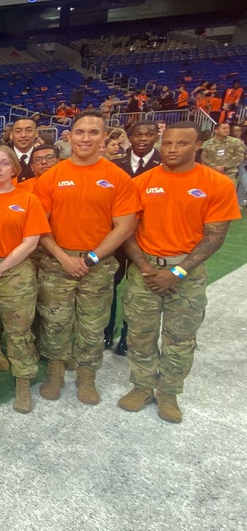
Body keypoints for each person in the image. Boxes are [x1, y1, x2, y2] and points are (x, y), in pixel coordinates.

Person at [119, 122, 241, 423]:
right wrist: (146, 268)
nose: (172, 149)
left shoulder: (217, 183)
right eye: (168, 143)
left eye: (182, 144)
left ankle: (169, 392)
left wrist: (179, 272)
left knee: (180, 338)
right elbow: (127, 231)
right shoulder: (142, 183)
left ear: (198, 145)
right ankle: (142, 386)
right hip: (145, 271)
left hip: (188, 272)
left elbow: (215, 235)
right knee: (140, 334)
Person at [34, 111, 140, 405]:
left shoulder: (117, 178)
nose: (86, 138)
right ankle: (55, 373)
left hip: (98, 265)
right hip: (57, 263)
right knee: (54, 323)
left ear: (104, 138)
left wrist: (91, 258)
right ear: (69, 136)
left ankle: (86, 376)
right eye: (80, 132)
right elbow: (40, 226)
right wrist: (63, 258)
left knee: (92, 325)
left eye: (94, 132)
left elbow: (124, 226)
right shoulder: (52, 177)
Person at [0, 146, 50, 413]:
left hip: (14, 274)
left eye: (4, 163)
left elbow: (31, 242)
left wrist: (0, 267)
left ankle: (23, 383)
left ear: (14, 167)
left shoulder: (28, 199)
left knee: (19, 331)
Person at [105, 120, 162, 355]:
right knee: (111, 285)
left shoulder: (165, 164)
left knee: (142, 291)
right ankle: (107, 332)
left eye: (149, 135)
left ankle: (130, 337)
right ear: (129, 137)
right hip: (118, 238)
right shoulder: (115, 165)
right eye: (138, 134)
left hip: (149, 237)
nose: (143, 139)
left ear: (156, 137)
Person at [10, 117, 39, 182]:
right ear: (11, 135)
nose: (23, 135)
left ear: (36, 133)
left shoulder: (43, 159)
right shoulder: (3, 157)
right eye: (18, 131)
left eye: (29, 131)